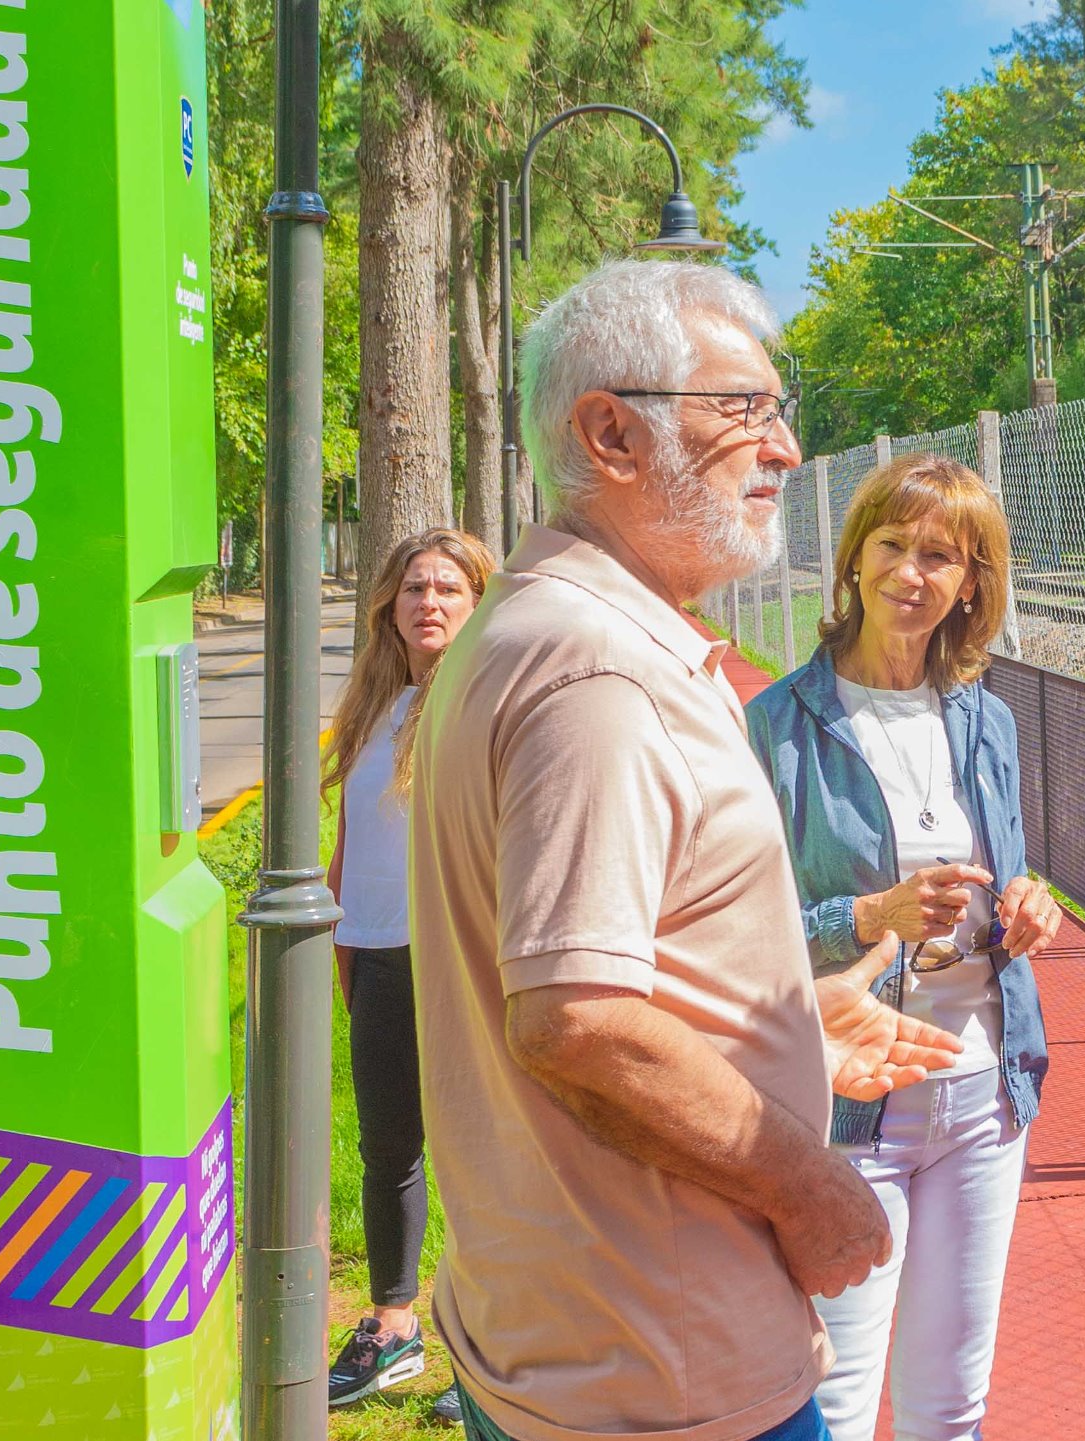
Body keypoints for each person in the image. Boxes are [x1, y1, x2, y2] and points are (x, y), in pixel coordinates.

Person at [406, 258, 965, 1441]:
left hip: (568, 1341)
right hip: (661, 1370)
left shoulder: (540, 626)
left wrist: (791, 1024)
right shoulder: (597, 671)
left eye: (779, 408)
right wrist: (804, 1180)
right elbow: (578, 1019)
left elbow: (595, 969)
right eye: (744, 410)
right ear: (610, 433)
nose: (787, 448)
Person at [746, 454, 1062, 1441]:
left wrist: (1027, 906)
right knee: (833, 1404)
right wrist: (872, 914)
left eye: (940, 554)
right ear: (854, 559)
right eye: (892, 545)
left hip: (982, 1095)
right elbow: (739, 947)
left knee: (950, 1407)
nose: (911, 574)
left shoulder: (987, 721)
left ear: (973, 582)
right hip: (848, 1110)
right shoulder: (778, 728)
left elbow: (1004, 878)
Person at [320, 527, 496, 1418]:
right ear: (389, 605)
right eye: (415, 588)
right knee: (390, 1146)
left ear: (477, 604)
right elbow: (353, 844)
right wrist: (347, 951)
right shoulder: (370, 708)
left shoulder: (487, 696)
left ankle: (494, 1356)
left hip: (462, 954)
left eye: (449, 589)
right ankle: (393, 1327)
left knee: (483, 1154)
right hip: (381, 954)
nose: (430, 601)